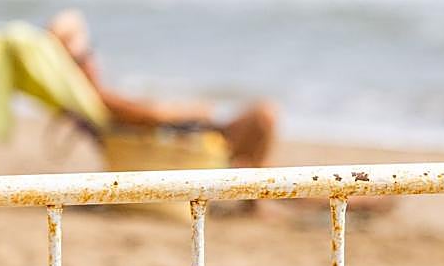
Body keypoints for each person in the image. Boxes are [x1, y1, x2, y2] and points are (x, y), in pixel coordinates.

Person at [47, 9, 277, 168]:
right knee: (263, 115)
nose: (93, 60)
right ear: (75, 66)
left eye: (91, 51)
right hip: (188, 144)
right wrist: (195, 110)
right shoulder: (99, 96)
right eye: (85, 55)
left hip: (182, 138)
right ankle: (254, 202)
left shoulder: (90, 96)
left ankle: (258, 198)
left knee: (261, 138)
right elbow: (152, 116)